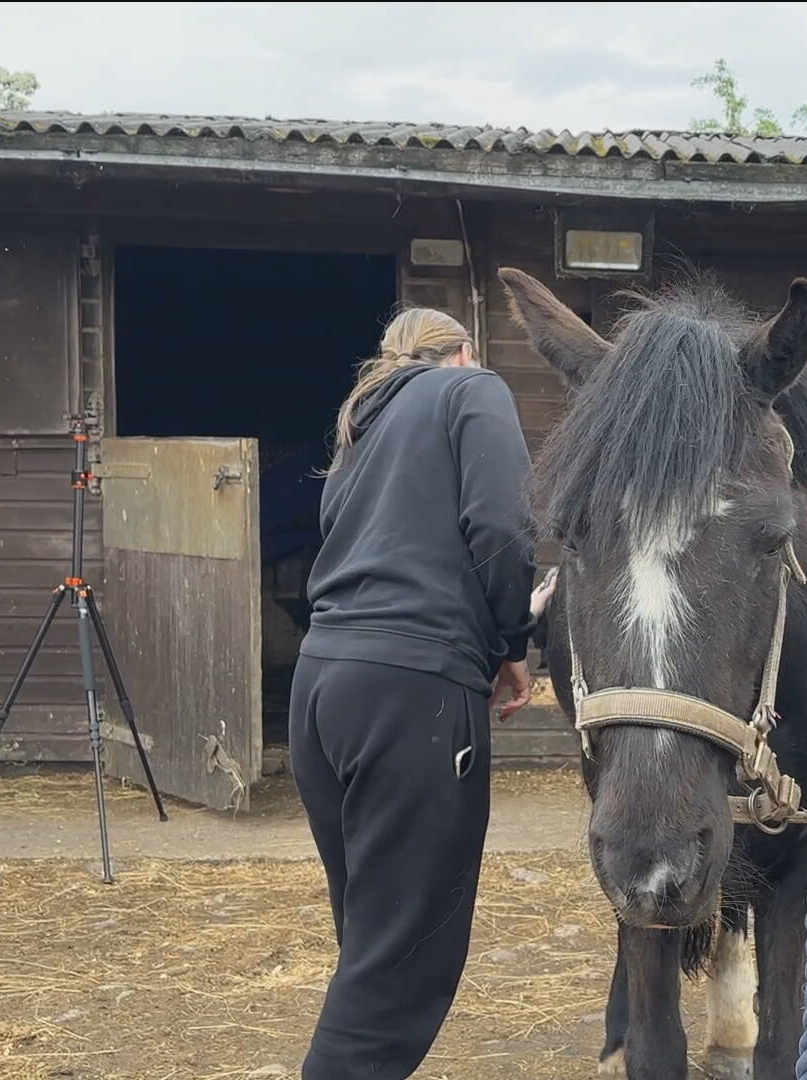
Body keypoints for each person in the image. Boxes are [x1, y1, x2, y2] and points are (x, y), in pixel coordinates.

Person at [289, 306, 539, 1080]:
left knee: (369, 936)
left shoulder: (359, 434)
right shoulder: (473, 390)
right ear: (464, 349)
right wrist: (510, 644)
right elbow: (503, 525)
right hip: (413, 694)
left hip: (321, 689)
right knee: (401, 957)